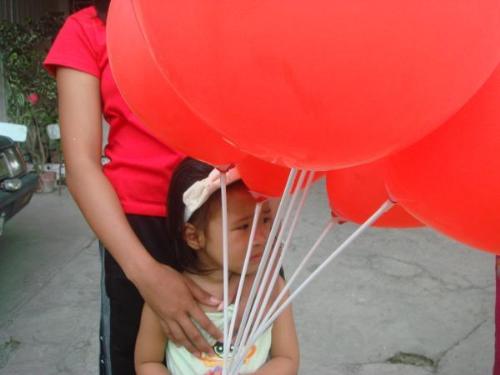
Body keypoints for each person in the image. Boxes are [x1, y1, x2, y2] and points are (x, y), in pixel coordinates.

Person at [44, 2, 223, 374]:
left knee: (242, 354)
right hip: (137, 232)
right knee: (137, 363)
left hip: (227, 217)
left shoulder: (225, 16)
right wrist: (146, 275)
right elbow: (81, 167)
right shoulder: (88, 30)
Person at [134, 158, 300, 374]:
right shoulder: (170, 297)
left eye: (266, 220)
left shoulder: (272, 289)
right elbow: (148, 362)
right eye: (243, 226)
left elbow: (286, 358)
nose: (261, 237)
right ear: (194, 237)